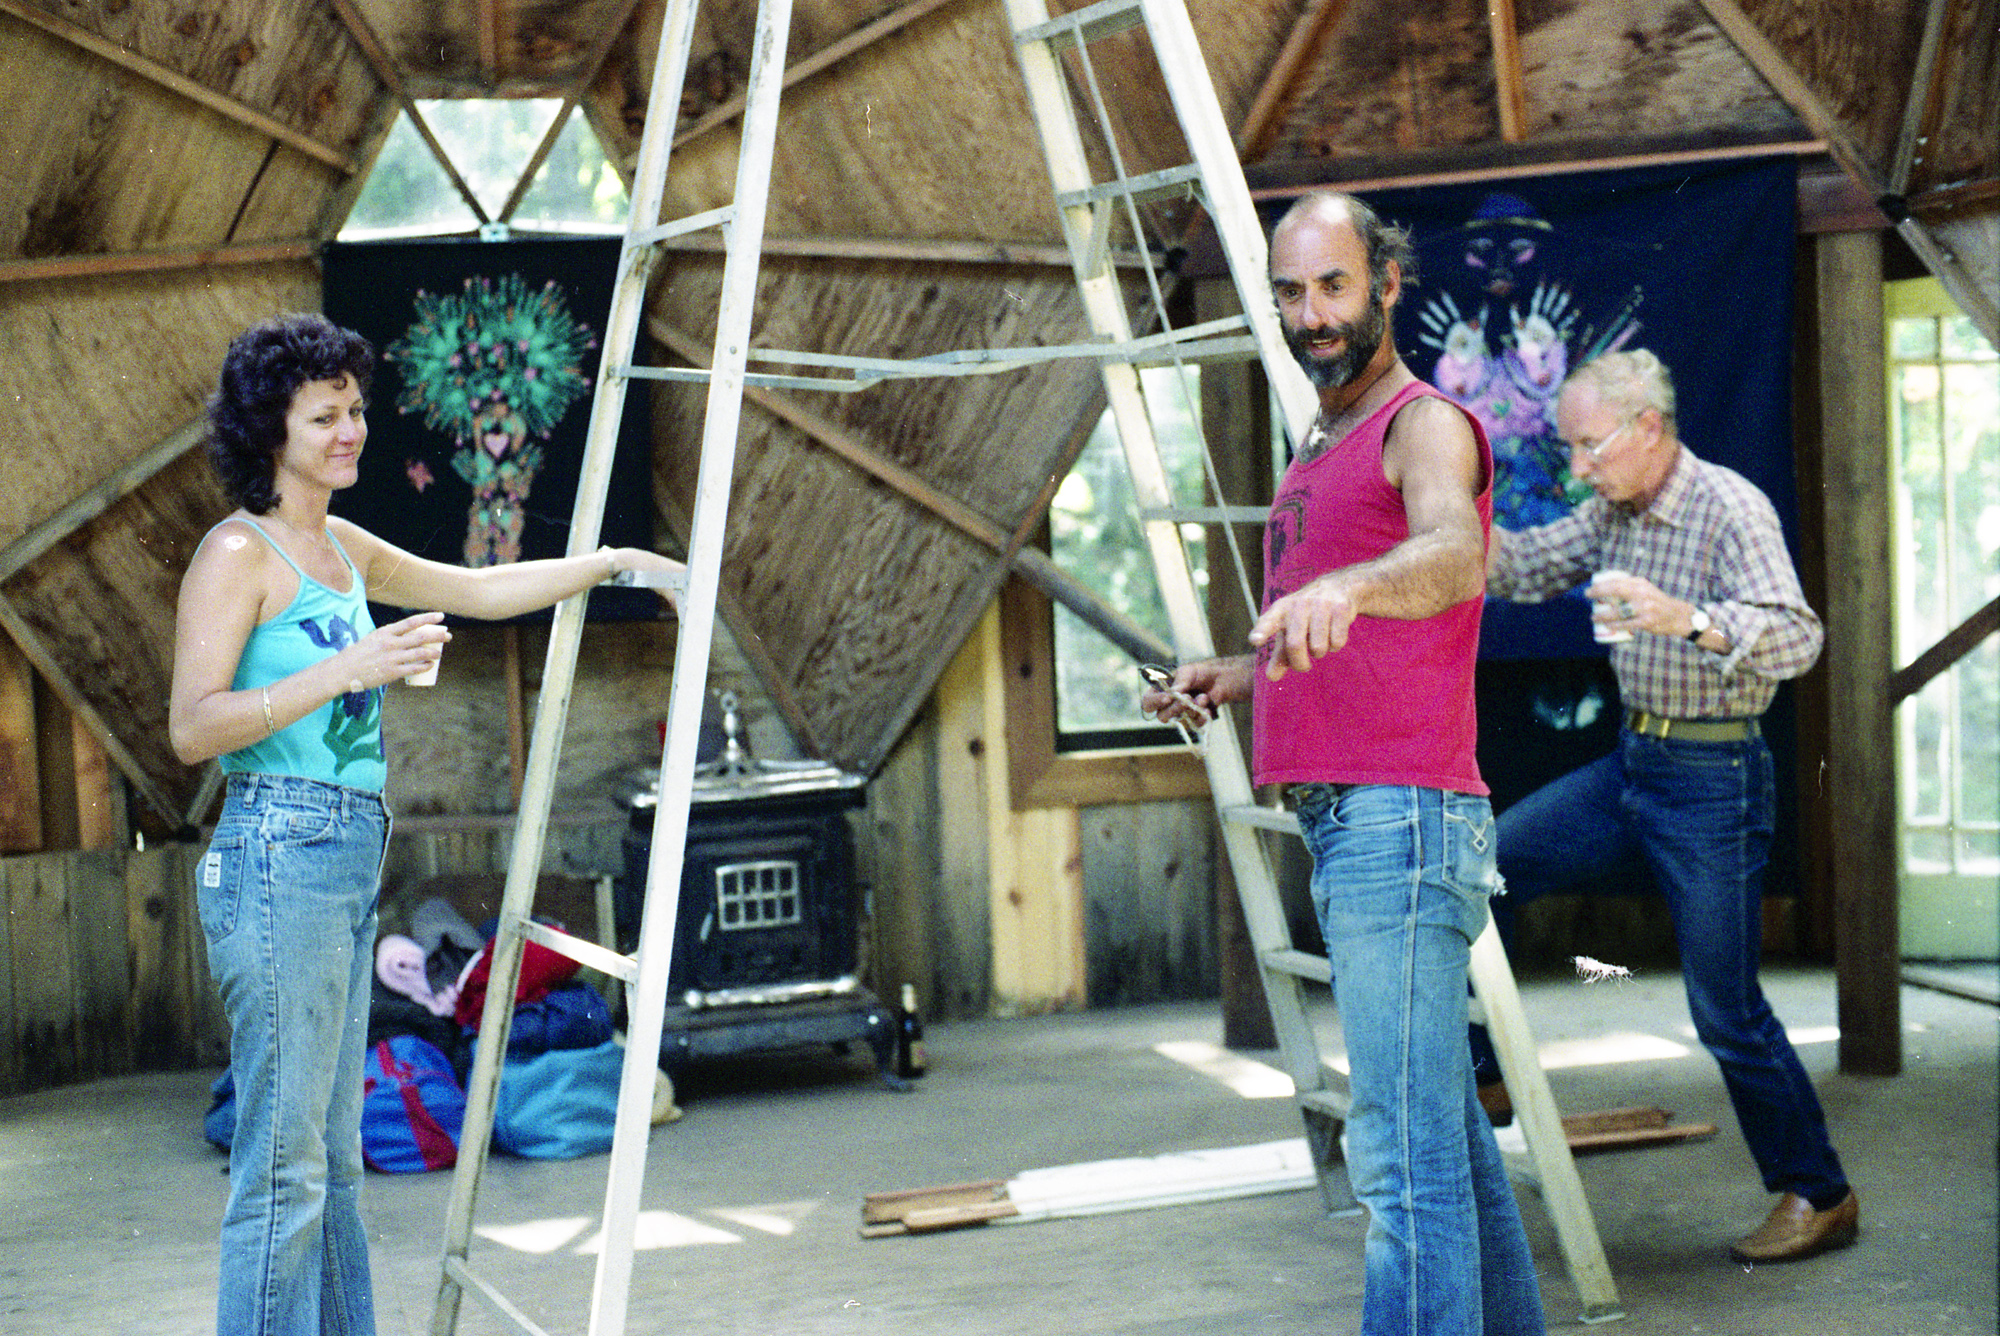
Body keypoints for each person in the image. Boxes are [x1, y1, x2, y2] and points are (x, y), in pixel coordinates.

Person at [168, 311, 684, 1335]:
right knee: (285, 1170)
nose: (351, 430)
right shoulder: (238, 551)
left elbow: (483, 589)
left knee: (337, 1162)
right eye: (325, 416)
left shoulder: (340, 544)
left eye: (355, 409)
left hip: (347, 852)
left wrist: (614, 560)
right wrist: (346, 669)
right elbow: (191, 728)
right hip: (276, 847)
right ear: (270, 429)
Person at [1143, 191, 1545, 1336]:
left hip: (1399, 824)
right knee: (1444, 1151)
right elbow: (1339, 632)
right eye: (1289, 290)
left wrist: (1346, 587)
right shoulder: (1318, 441)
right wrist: (1235, 667)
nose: (1310, 313)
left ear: (1384, 284)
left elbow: (1454, 556)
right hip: (1351, 822)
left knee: (1399, 1168)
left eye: (1331, 285)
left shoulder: (1423, 425)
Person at [1480, 348, 1855, 1264]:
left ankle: (1821, 1193)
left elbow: (1800, 636)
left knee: (1724, 1008)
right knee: (1482, 868)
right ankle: (1486, 1081)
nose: (1578, 467)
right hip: (1634, 763)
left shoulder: (1730, 506)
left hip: (1715, 779)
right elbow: (1524, 567)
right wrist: (1446, 521)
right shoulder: (1613, 507)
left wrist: (1682, 616)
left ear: (1648, 426)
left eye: (1588, 445)